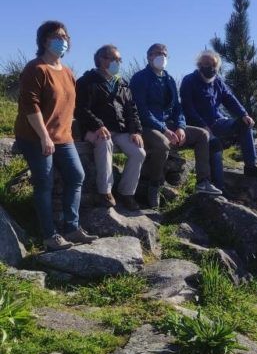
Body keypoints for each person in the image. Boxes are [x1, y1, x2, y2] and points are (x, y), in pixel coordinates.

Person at [14, 21, 98, 251]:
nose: (63, 40)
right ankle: (49, 235)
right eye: (56, 36)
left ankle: (72, 228)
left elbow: (69, 107)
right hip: (34, 135)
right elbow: (30, 106)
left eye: (65, 36)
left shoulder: (68, 72)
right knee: (44, 182)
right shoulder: (35, 68)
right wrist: (44, 136)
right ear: (44, 41)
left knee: (76, 175)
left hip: (63, 136)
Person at [130, 43, 221, 208]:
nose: (162, 57)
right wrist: (164, 129)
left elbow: (177, 108)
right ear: (149, 56)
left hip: (169, 125)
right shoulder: (139, 78)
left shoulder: (169, 79)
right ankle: (154, 186)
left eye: (164, 54)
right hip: (146, 127)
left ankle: (203, 181)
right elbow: (141, 110)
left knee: (202, 135)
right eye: (157, 53)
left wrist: (180, 126)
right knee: (163, 145)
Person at [180, 49, 257, 194]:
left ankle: (250, 166)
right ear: (199, 64)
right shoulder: (189, 81)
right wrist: (203, 126)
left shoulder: (217, 81)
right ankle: (219, 187)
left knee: (244, 124)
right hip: (197, 126)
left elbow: (230, 99)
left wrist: (244, 114)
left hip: (218, 122)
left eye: (214, 65)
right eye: (207, 64)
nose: (211, 68)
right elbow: (188, 108)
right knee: (214, 144)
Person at [75, 45, 145, 210]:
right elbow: (80, 109)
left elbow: (132, 109)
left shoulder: (122, 83)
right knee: (105, 143)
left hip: (120, 130)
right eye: (115, 59)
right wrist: (98, 125)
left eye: (119, 60)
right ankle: (105, 191)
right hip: (94, 130)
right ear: (102, 59)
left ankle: (127, 192)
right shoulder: (86, 81)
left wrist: (135, 131)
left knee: (138, 152)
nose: (118, 63)